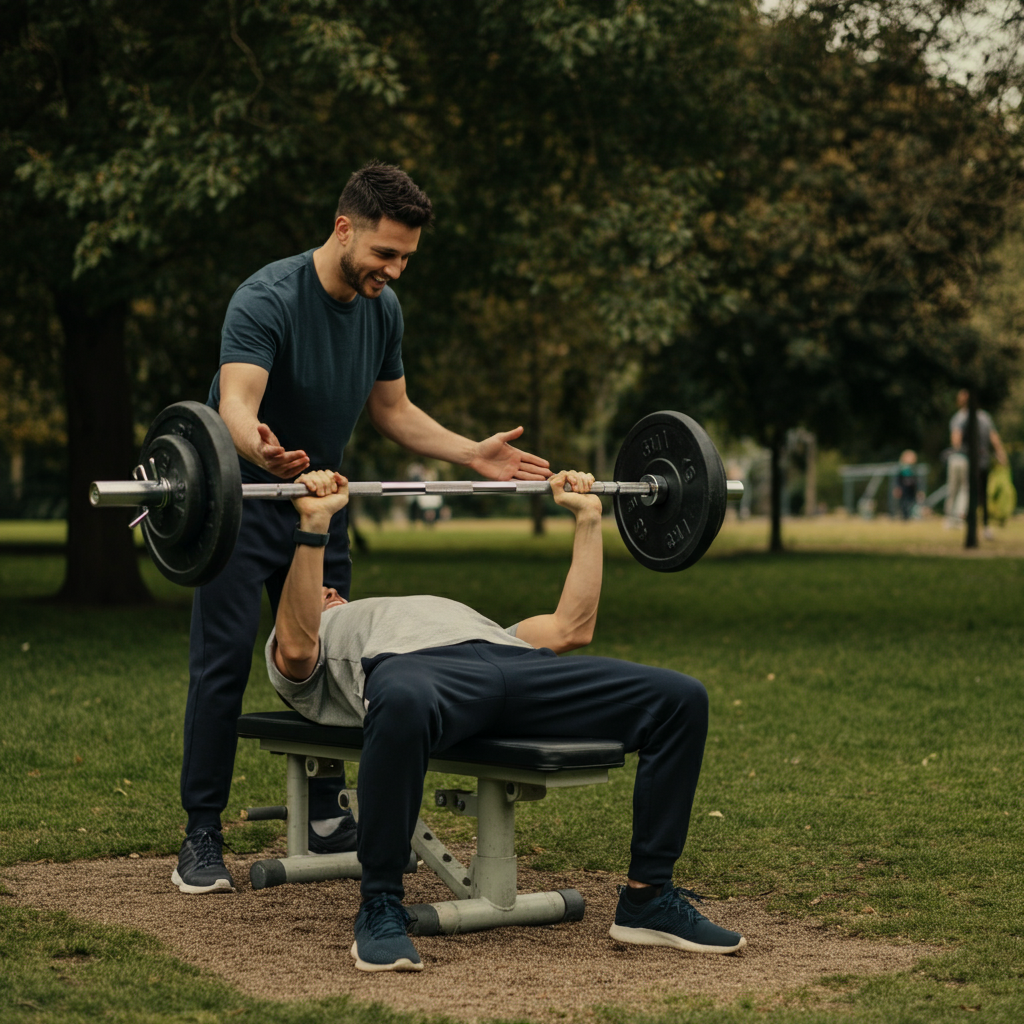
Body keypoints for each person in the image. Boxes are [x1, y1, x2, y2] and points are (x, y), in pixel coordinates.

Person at [173, 163, 551, 895]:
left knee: (333, 657)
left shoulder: (383, 310)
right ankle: (200, 833)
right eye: (385, 252)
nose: (395, 269)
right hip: (241, 500)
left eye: (406, 257)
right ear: (344, 228)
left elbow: (392, 411)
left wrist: (472, 452)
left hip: (323, 505)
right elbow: (236, 404)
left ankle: (321, 813)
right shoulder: (266, 297)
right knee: (220, 666)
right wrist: (264, 452)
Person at [265, 468, 747, 972]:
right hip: (418, 676)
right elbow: (297, 644)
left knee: (679, 698)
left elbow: (571, 627)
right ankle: (380, 905)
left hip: (511, 661)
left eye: (329, 590)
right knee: (401, 697)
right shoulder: (314, 636)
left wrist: (588, 518)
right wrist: (315, 525)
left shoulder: (441, 612)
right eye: (317, 593)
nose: (329, 592)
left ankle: (648, 898)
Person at [947, 389, 1008, 540]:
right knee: (979, 495)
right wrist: (1000, 453)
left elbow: (956, 441)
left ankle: (971, 523)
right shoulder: (983, 416)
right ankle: (981, 526)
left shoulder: (962, 418)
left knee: (970, 493)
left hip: (972, 461)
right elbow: (993, 437)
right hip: (977, 461)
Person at [892, 449, 921, 521]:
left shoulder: (914, 469)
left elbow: (917, 481)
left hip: (912, 491)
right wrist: (897, 488)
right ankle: (904, 518)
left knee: (912, 504)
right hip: (903, 490)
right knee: (903, 505)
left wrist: (919, 490)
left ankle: (910, 517)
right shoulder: (902, 469)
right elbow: (897, 480)